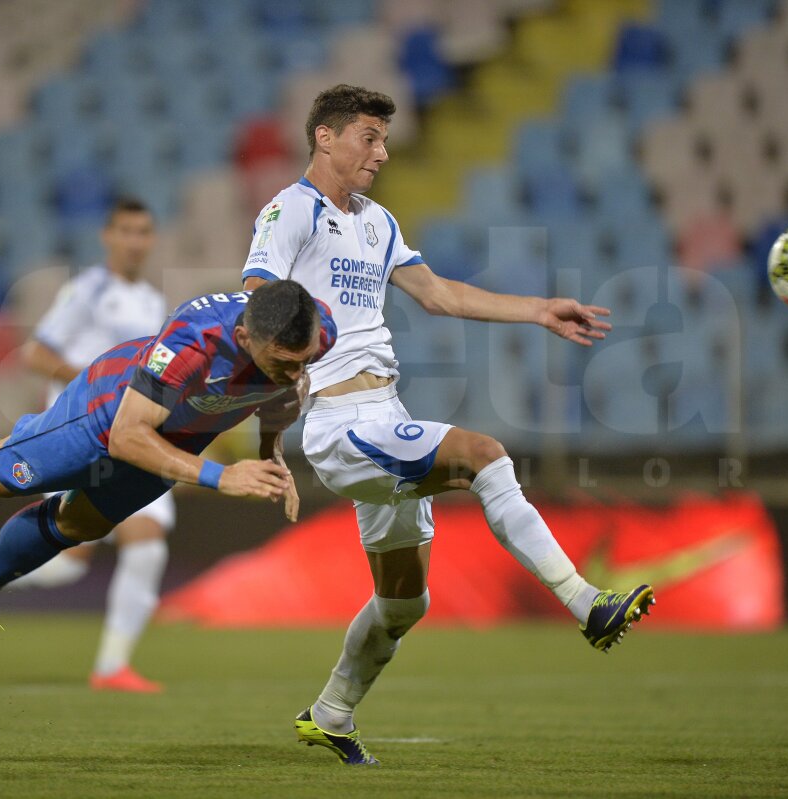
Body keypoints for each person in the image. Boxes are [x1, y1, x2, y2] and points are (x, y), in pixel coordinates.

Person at [241, 84, 654, 766]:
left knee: (404, 603)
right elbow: (256, 303)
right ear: (325, 137)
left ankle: (331, 711)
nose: (382, 150)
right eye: (369, 137)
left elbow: (438, 293)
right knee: (483, 453)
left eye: (382, 138)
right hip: (341, 422)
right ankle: (587, 603)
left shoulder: (378, 222)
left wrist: (537, 310)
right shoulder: (291, 211)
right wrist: (279, 397)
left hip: (385, 414)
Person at [0, 279, 335, 684]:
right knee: (2, 477)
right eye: (282, 363)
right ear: (245, 337)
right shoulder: (193, 339)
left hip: (183, 432)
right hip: (107, 411)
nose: (295, 373)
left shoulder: (314, 331)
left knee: (81, 522)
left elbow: (279, 395)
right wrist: (222, 477)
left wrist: (271, 453)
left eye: (304, 361)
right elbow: (127, 437)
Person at [0, 197, 174, 693]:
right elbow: (34, 353)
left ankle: (111, 666)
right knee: (75, 560)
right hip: (86, 434)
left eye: (143, 231)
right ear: (108, 236)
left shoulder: (152, 302)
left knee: (136, 546)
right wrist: (96, 381)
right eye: (125, 230)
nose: (135, 241)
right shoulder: (88, 291)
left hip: (136, 435)